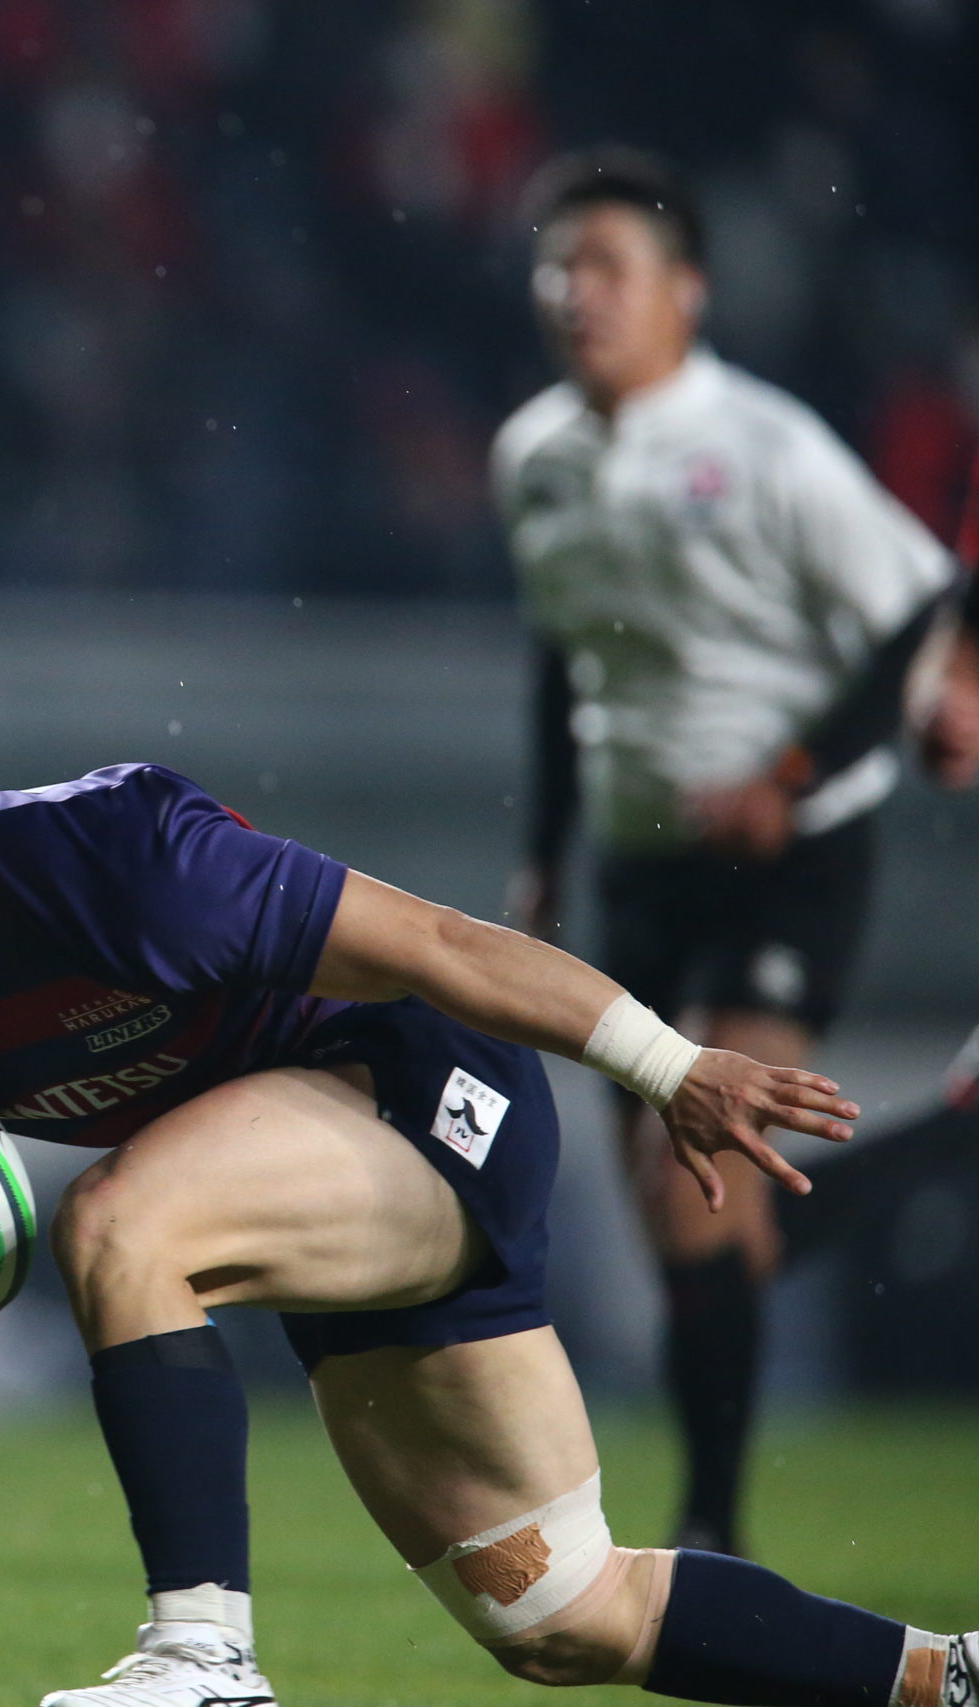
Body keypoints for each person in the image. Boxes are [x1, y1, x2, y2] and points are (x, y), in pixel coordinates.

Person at [0, 628, 972, 1707]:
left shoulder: (118, 855)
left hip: (423, 1093)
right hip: (283, 1171)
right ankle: (947, 1676)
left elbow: (438, 945)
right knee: (560, 1610)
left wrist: (667, 1064)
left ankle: (203, 1656)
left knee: (122, 1223)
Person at [494, 148, 979, 1555]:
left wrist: (793, 772)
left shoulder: (767, 447)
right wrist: (544, 852)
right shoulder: (534, 455)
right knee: (696, 1224)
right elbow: (563, 656)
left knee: (698, 1184)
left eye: (609, 266)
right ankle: (954, 1129)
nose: (578, 294)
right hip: (635, 867)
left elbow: (917, 604)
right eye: (559, 267)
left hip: (788, 860)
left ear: (686, 291)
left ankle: (709, 1529)